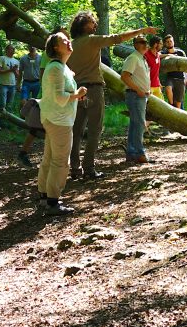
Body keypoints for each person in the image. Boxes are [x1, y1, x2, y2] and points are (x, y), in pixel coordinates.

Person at [67, 12, 157, 178]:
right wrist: (142, 30)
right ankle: (89, 169)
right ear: (83, 25)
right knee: (95, 129)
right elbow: (118, 38)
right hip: (93, 89)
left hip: (75, 91)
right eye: (92, 23)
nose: (95, 26)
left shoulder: (71, 46)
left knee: (76, 129)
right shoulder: (92, 40)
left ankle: (74, 168)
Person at [37, 31, 88, 215]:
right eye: (63, 41)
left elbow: (59, 94)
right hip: (58, 120)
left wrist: (74, 97)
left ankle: (44, 197)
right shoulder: (56, 68)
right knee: (60, 161)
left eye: (68, 39)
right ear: (55, 48)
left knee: (49, 158)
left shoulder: (61, 68)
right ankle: (53, 202)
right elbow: (60, 98)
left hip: (55, 118)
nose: (68, 42)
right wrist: (78, 94)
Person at [120, 36, 153, 164]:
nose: (145, 45)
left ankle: (131, 153)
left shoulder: (142, 59)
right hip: (135, 95)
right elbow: (125, 76)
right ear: (135, 45)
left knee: (135, 124)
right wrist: (138, 90)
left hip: (141, 96)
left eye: (146, 42)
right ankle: (140, 153)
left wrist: (146, 89)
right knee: (139, 124)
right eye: (141, 43)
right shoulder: (133, 58)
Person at [16, 45, 43, 165]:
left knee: (38, 120)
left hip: (37, 83)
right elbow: (20, 72)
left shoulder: (41, 57)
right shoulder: (23, 59)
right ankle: (26, 121)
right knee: (24, 102)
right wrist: (18, 84)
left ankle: (24, 152)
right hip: (27, 82)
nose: (32, 48)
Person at [160, 34, 187, 109]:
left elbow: (186, 65)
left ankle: (177, 114)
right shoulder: (163, 52)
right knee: (168, 88)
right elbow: (157, 56)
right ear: (165, 43)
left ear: (173, 42)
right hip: (170, 77)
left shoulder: (180, 52)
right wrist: (169, 55)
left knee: (179, 103)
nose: (169, 43)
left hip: (180, 78)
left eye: (171, 41)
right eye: (167, 42)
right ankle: (171, 106)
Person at [0, 43, 20, 122]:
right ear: (6, 50)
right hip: (3, 84)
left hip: (12, 85)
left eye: (13, 49)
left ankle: (8, 123)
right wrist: (10, 70)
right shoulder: (2, 58)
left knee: (9, 105)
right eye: (11, 49)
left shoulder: (16, 61)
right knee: (3, 104)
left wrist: (15, 70)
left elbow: (17, 75)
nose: (12, 50)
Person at [144, 34, 164, 102]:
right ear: (155, 44)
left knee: (162, 105)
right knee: (149, 107)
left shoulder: (157, 54)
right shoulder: (145, 55)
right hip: (148, 86)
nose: (162, 45)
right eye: (160, 44)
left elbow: (156, 70)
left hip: (157, 85)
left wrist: (159, 83)